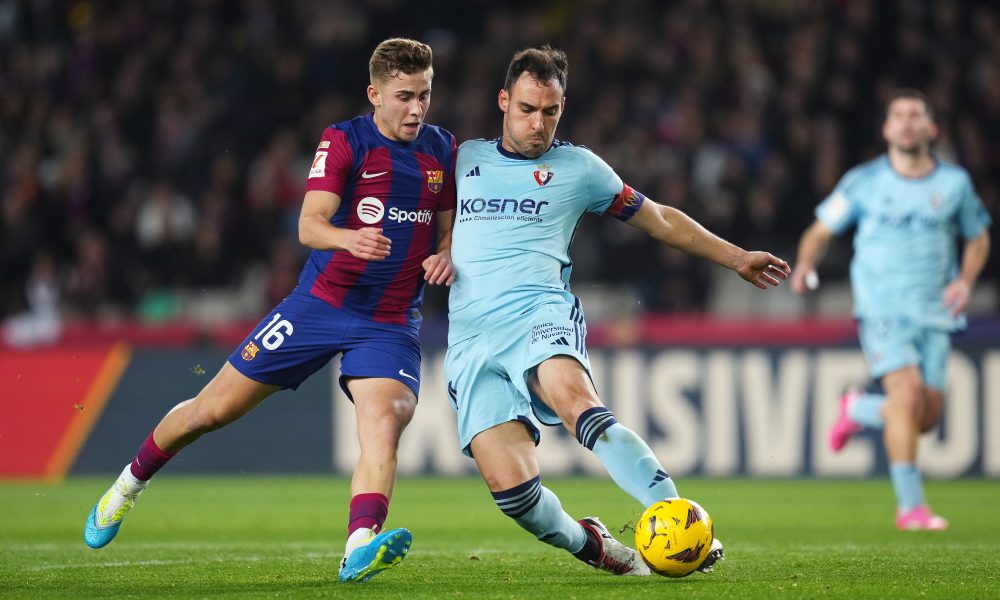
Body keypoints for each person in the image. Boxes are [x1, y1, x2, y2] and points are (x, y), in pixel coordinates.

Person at [84, 38, 458, 583]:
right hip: (319, 306)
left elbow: (448, 230)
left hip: (390, 320)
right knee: (210, 412)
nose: (417, 109)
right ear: (374, 93)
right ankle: (127, 486)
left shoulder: (443, 149)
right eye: (404, 96)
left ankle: (359, 544)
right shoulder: (345, 140)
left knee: (386, 422)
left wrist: (446, 254)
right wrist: (349, 239)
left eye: (425, 95)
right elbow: (310, 224)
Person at [445, 46, 790, 576]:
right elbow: (429, 217)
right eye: (527, 109)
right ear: (503, 101)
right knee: (514, 496)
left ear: (563, 106)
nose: (539, 124)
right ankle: (597, 546)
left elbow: (658, 220)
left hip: (540, 314)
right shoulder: (464, 158)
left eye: (551, 111)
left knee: (575, 401)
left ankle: (677, 519)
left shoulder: (578, 168)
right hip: (470, 337)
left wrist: (736, 256)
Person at [791, 89, 991, 531]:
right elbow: (820, 231)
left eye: (915, 115)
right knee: (909, 398)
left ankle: (858, 409)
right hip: (882, 308)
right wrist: (805, 264)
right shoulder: (864, 182)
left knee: (924, 417)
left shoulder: (954, 184)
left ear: (930, 128)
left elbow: (978, 237)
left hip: (935, 311)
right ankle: (911, 508)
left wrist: (965, 281)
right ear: (886, 128)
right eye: (897, 115)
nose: (905, 122)